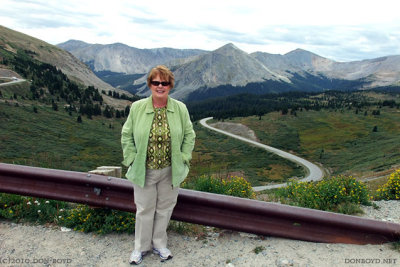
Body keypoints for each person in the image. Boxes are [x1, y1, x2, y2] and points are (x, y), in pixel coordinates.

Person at [121, 65, 196, 265]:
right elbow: (126, 135)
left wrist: (184, 157)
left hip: (171, 170)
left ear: (170, 85)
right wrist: (131, 159)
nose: (160, 86)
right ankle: (140, 248)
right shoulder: (138, 107)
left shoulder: (180, 108)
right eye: (156, 82)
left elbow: (189, 134)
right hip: (143, 170)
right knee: (144, 208)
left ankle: (160, 244)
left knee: (165, 208)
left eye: (164, 83)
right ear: (150, 84)